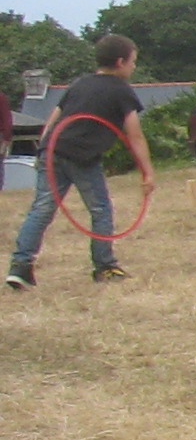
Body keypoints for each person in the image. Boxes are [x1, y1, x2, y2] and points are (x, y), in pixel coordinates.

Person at [9, 34, 149, 289]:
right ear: (120, 62)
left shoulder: (79, 83)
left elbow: (54, 118)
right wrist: (147, 173)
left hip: (53, 149)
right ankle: (105, 266)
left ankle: (20, 267)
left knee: (41, 209)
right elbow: (135, 136)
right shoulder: (121, 90)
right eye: (133, 61)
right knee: (101, 210)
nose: (134, 66)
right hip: (82, 156)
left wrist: (43, 150)